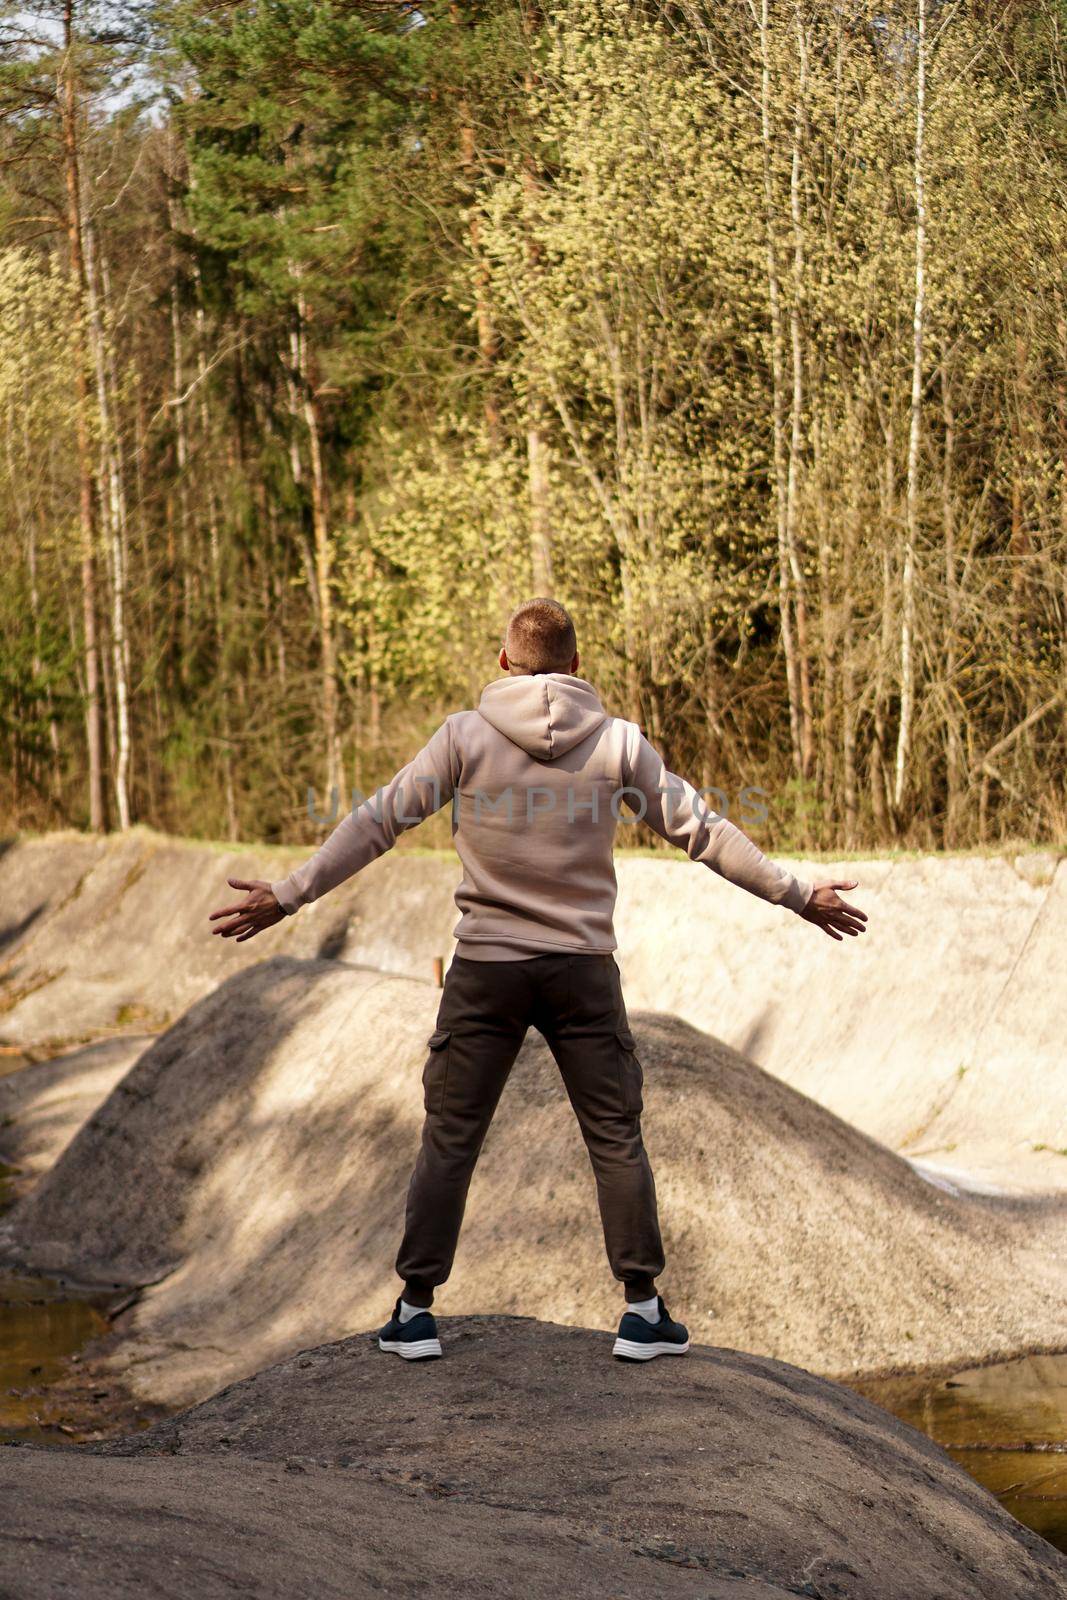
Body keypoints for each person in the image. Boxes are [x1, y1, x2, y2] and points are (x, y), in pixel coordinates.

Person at [210, 598, 867, 1363]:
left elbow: (377, 821)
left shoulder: (464, 735)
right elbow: (704, 831)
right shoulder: (618, 743)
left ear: (503, 664)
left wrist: (289, 895)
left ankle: (415, 1312)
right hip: (582, 971)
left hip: (485, 968)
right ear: (578, 666)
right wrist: (796, 894)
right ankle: (643, 1311)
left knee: (451, 1138)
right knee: (615, 1137)